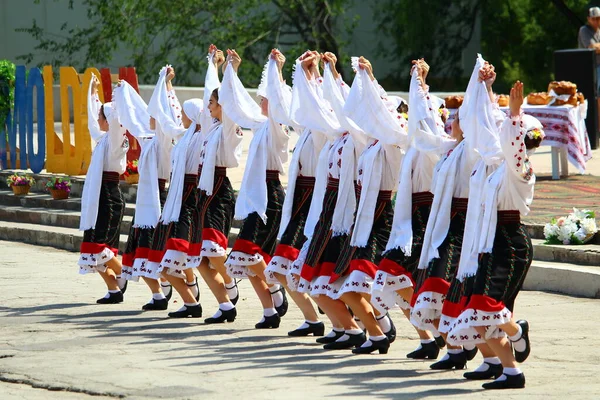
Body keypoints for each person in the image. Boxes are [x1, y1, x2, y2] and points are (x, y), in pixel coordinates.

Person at [369, 59, 454, 359]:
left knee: (409, 282)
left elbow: (426, 117)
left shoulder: (437, 146)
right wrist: (368, 76)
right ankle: (429, 339)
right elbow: (382, 115)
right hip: (408, 220)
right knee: (394, 278)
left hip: (427, 220)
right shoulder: (414, 144)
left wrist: (420, 82)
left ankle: (453, 342)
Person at [327, 55, 406, 355]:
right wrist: (334, 74)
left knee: (355, 287)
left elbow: (380, 111)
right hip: (362, 219)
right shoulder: (368, 143)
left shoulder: (392, 146)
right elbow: (347, 109)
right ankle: (381, 330)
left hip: (380, 218)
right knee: (347, 286)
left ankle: (385, 332)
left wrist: (371, 79)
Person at [221, 49, 290, 328]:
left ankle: (275, 287)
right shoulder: (260, 125)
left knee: (246, 254)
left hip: (270, 196)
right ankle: (270, 310)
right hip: (257, 198)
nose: (261, 100)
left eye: (266, 97)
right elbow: (237, 105)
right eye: (261, 97)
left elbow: (280, 99)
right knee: (246, 260)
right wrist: (232, 70)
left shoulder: (277, 126)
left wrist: (278, 69)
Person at [263, 48, 326, 337]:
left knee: (308, 269)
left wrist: (310, 73)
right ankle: (313, 319)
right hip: (300, 203)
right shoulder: (305, 132)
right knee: (282, 267)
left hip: (317, 203)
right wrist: (278, 68)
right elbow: (282, 103)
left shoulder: (327, 130)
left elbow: (317, 99)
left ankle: (356, 320)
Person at [118, 67, 181, 311]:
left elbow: (167, 112)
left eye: (155, 113)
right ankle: (159, 294)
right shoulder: (148, 138)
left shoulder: (164, 141)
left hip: (158, 200)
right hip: (145, 204)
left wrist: (165, 84)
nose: (151, 116)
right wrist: (124, 94)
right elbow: (133, 118)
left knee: (155, 253)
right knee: (138, 254)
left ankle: (176, 286)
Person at [188, 45, 243, 324]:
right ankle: (225, 303)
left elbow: (230, 103)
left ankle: (232, 279)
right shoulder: (211, 128)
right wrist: (212, 62)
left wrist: (230, 70)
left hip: (219, 192)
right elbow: (209, 89)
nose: (207, 107)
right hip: (203, 193)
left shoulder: (230, 129)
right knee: (198, 256)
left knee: (213, 249)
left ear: (222, 105)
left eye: (212, 103)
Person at [78, 75, 129, 304]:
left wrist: (118, 96)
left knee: (98, 247)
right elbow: (92, 121)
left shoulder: (116, 140)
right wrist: (93, 93)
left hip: (109, 196)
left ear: (109, 119)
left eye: (101, 115)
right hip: (99, 197)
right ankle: (114, 290)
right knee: (90, 248)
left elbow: (116, 118)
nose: (97, 117)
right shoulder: (103, 139)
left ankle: (124, 273)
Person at [578, 6, 600, 94]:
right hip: (590, 68)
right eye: (593, 19)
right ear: (588, 19)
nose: (595, 21)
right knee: (597, 94)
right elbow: (594, 48)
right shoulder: (584, 30)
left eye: (598, 18)